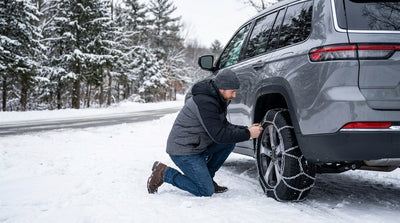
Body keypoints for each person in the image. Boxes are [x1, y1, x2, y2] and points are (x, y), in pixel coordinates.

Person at [147, 68, 263, 196]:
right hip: (184, 151)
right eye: (233, 91)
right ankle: (164, 173)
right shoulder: (205, 102)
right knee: (205, 191)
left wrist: (246, 129)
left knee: (229, 143)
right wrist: (249, 134)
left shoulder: (217, 99)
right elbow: (219, 135)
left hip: (197, 146)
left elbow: (224, 126)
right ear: (222, 88)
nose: (234, 95)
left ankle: (207, 178)